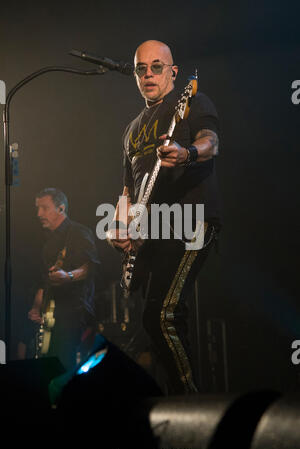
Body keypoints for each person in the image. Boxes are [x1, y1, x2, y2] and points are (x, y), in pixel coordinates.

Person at [108, 40, 221, 394]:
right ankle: (175, 406)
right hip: (153, 232)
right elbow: (128, 190)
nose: (148, 74)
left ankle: (192, 404)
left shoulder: (190, 103)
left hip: (191, 221)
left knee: (162, 315)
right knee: (154, 323)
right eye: (141, 68)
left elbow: (211, 142)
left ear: (173, 72)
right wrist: (118, 226)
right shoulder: (130, 130)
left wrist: (186, 153)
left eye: (157, 67)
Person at [28, 188, 100, 370]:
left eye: (44, 208)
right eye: (38, 209)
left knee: (65, 362)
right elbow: (44, 281)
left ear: (61, 209)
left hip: (74, 310)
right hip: (53, 313)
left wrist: (67, 276)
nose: (39, 214)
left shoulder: (78, 232)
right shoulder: (47, 242)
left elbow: (90, 266)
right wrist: (37, 307)